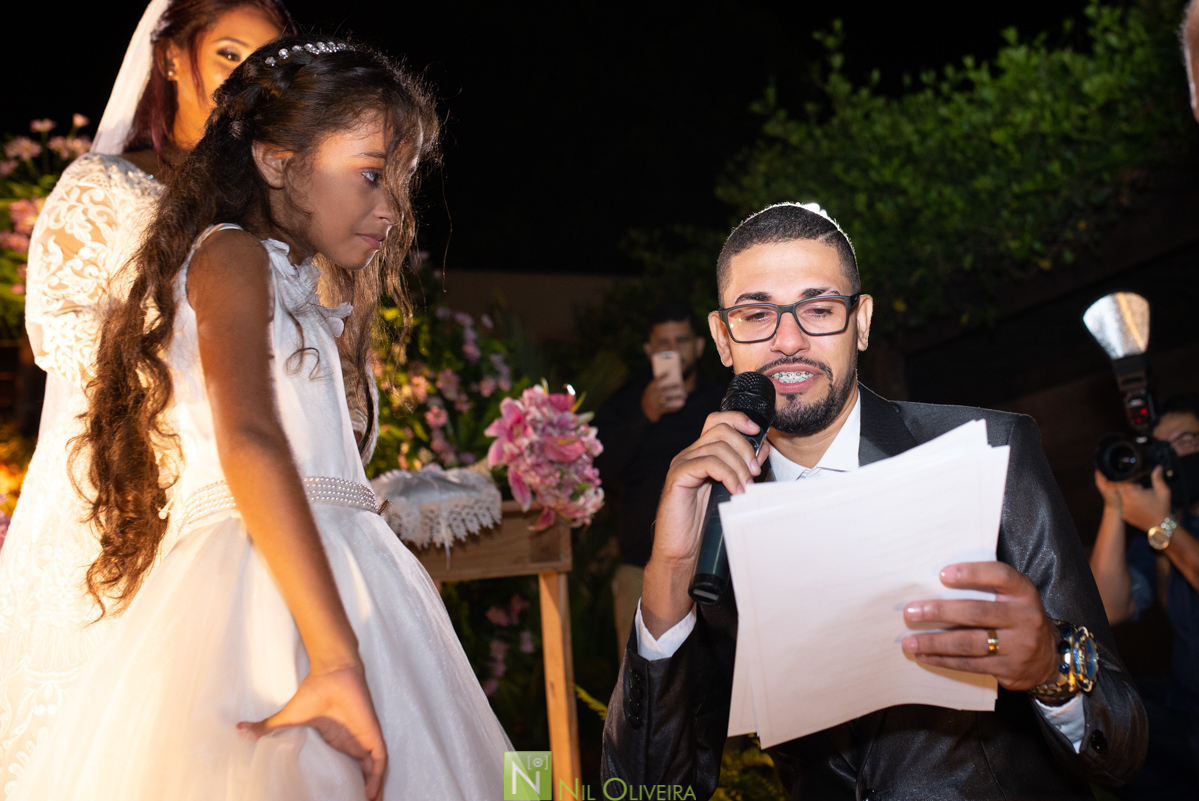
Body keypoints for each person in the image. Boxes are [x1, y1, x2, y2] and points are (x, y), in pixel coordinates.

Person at [7, 37, 511, 801]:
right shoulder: (230, 255)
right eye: (373, 174)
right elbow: (250, 438)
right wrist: (337, 659)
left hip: (348, 570)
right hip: (262, 591)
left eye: (403, 183)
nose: (392, 206)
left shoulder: (305, 283)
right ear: (277, 160)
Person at [601, 203, 1148, 800]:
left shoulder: (988, 452)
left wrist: (1050, 669)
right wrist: (671, 572)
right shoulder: (714, 524)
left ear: (860, 322)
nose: (788, 340)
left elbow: (1122, 743)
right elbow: (646, 788)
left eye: (818, 309)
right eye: (757, 314)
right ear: (723, 339)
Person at [0, 1, 292, 794]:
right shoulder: (104, 188)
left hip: (245, 532)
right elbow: (64, 343)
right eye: (228, 52)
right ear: (171, 58)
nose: (246, 77)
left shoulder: (280, 218)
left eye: (265, 60)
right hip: (117, 520)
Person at [594, 302, 724, 657]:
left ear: (698, 346)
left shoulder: (721, 402)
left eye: (681, 340)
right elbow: (594, 474)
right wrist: (644, 415)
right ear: (650, 350)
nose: (673, 351)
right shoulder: (625, 405)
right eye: (663, 343)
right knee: (644, 685)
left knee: (720, 687)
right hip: (640, 565)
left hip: (713, 568)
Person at [1090, 394, 1199, 799]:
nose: (1174, 453)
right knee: (1095, 701)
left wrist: (1161, 525)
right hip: (1188, 703)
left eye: (1187, 439)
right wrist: (1114, 505)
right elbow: (1109, 608)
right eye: (1162, 446)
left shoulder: (1167, 528)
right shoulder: (1168, 527)